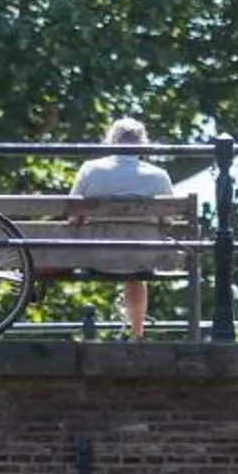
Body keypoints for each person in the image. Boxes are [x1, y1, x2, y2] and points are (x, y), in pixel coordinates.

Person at [71, 115, 174, 339]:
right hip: (141, 259)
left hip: (96, 259)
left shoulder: (90, 170)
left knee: (125, 260)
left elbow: (72, 217)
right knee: (136, 273)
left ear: (111, 141)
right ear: (143, 144)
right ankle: (137, 335)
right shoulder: (159, 176)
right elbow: (167, 222)